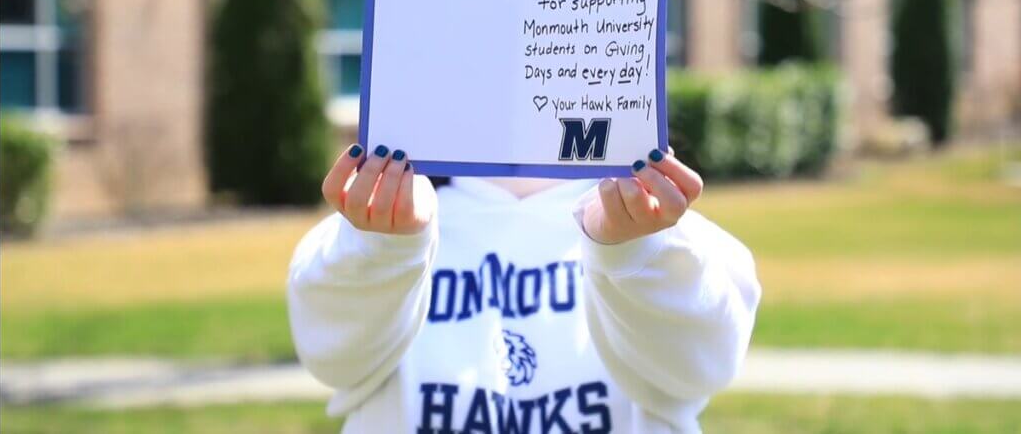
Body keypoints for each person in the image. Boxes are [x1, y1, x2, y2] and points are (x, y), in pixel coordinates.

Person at [288, 143, 761, 433]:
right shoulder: (400, 216)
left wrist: (637, 251)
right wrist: (381, 246)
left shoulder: (662, 229)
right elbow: (331, 355)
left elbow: (702, 367)